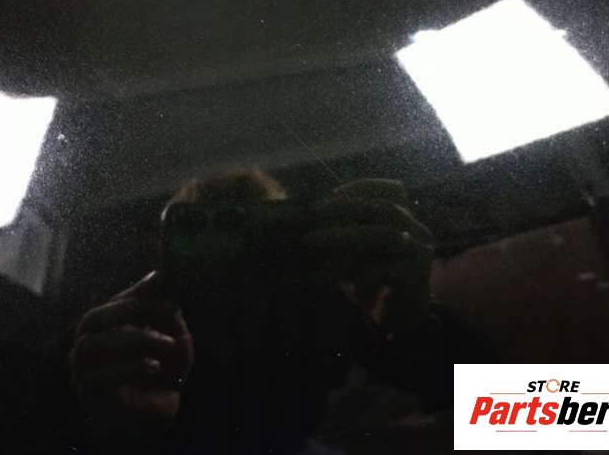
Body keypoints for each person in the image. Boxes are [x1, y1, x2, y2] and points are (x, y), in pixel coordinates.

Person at [68, 168, 440, 454]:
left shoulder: (329, 310)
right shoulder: (138, 334)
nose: (240, 261)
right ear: (168, 249)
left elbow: (478, 424)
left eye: (266, 235)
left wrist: (417, 327)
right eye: (197, 228)